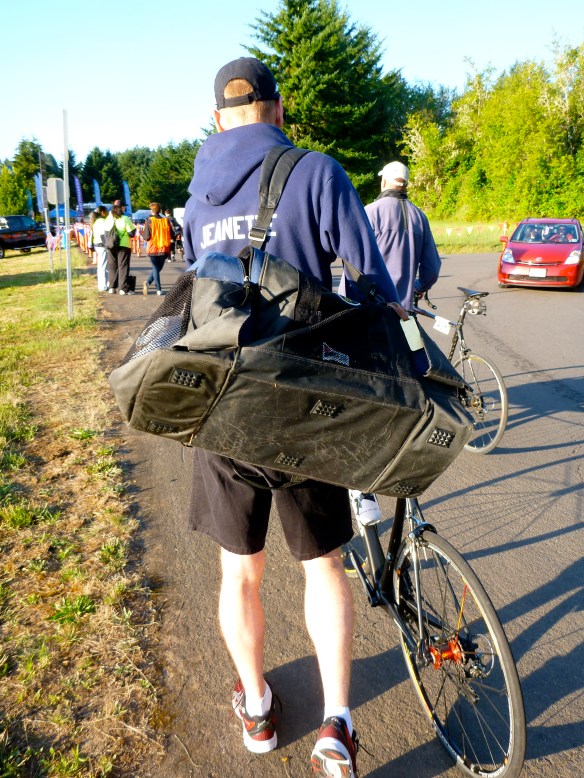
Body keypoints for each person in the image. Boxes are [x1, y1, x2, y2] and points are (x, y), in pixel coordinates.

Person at [182, 56, 401, 778]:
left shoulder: (197, 194)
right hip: (303, 405)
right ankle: (336, 729)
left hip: (220, 404)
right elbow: (370, 282)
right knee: (324, 565)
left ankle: (256, 708)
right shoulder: (315, 171)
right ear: (280, 108)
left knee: (237, 573)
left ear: (219, 120)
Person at [356, 160, 441, 310]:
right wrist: (419, 286)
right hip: (404, 309)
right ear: (406, 186)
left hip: (373, 306)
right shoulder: (420, 217)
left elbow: (354, 260)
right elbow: (432, 269)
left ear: (383, 182)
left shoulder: (370, 212)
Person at [103, 200, 137, 295]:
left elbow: (105, 232)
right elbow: (132, 233)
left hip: (111, 245)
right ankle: (122, 288)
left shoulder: (109, 218)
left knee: (112, 266)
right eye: (124, 206)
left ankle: (112, 287)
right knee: (123, 266)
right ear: (122, 207)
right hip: (123, 245)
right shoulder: (125, 218)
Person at [142, 202, 172, 295]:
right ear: (160, 210)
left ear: (152, 210)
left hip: (152, 247)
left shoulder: (149, 221)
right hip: (163, 247)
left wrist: (142, 234)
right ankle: (155, 286)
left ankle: (155, 287)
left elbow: (146, 236)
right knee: (158, 268)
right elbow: (171, 233)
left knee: (155, 267)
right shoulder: (165, 220)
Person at [90, 205, 109, 291]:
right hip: (103, 245)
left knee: (102, 265)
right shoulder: (102, 221)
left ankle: (104, 284)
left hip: (97, 244)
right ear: (102, 212)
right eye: (106, 211)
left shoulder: (96, 222)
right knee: (103, 266)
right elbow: (104, 234)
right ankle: (103, 285)